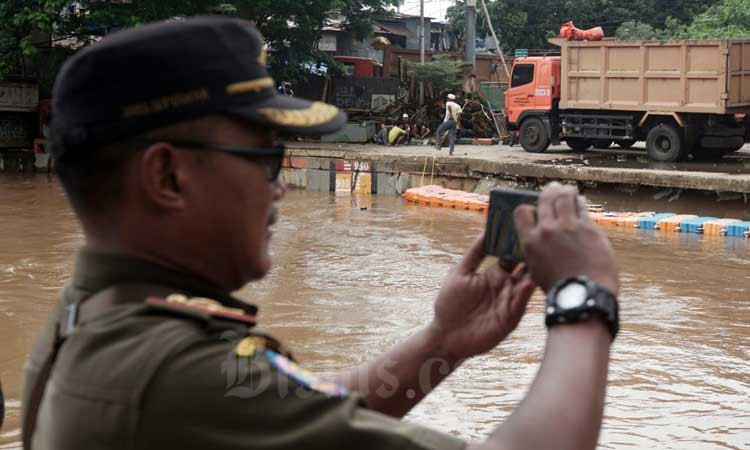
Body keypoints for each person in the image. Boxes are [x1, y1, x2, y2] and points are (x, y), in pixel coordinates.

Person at [23, 16, 620, 450]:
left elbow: (302, 416)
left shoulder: (92, 321)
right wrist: (582, 295)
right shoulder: (171, 375)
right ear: (168, 175)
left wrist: (444, 342)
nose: (278, 187)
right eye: (265, 157)